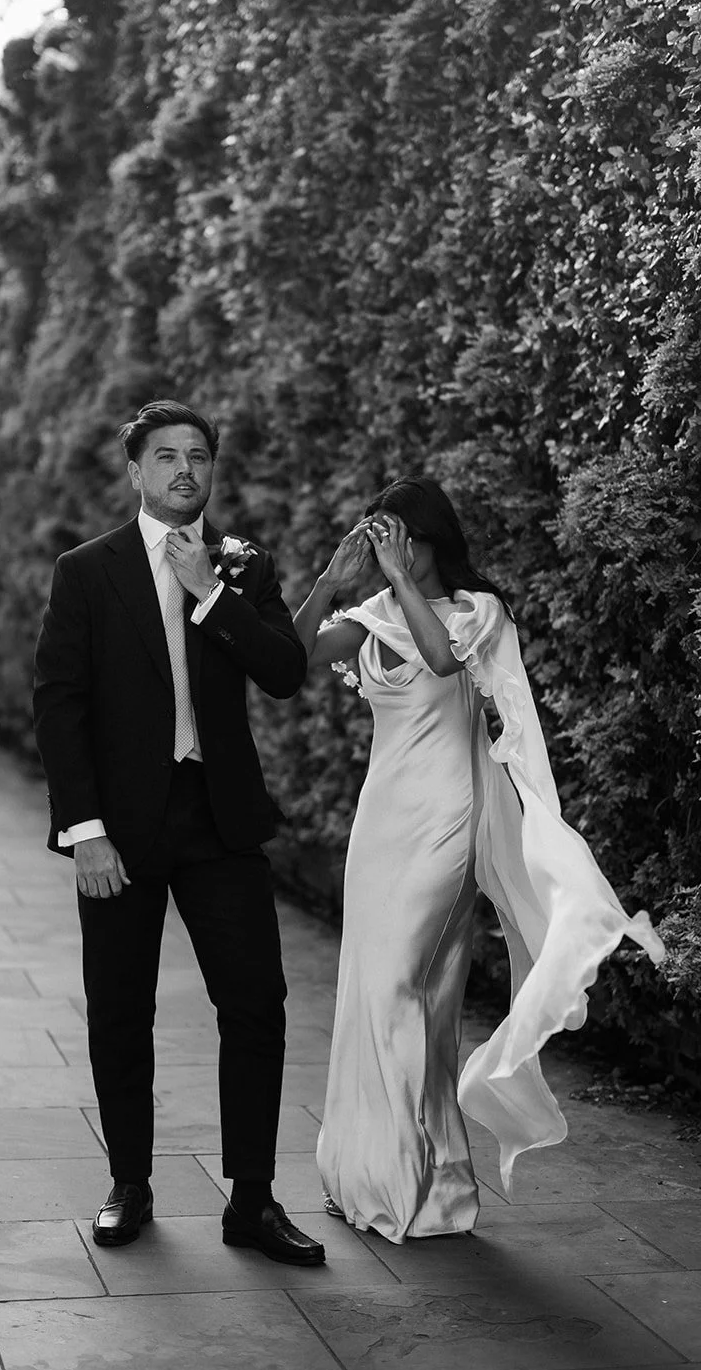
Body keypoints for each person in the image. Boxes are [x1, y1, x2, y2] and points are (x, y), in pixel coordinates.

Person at [294, 476, 664, 1243]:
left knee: (403, 984)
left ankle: (409, 1184)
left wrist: (398, 578)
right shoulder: (370, 615)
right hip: (382, 819)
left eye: (400, 536)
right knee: (381, 991)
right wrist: (333, 580)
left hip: (448, 816)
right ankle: (384, 1178)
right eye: (379, 536)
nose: (388, 549)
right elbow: (294, 662)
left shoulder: (477, 612)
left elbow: (438, 664)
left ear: (431, 538)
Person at [33, 399, 325, 1267]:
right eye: (165, 456)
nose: (183, 470)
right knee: (120, 1009)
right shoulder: (87, 571)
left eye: (197, 455)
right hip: (118, 831)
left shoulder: (242, 566)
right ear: (134, 471)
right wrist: (83, 832)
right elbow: (60, 705)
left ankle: (253, 1201)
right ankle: (130, 1180)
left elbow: (282, 672)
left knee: (256, 1007)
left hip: (219, 821)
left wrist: (209, 596)